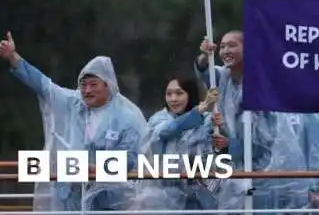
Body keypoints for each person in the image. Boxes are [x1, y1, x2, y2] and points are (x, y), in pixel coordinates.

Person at [0, 32, 146, 212]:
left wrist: (96, 169)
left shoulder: (128, 115)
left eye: (93, 84)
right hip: (70, 196)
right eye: (83, 84)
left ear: (108, 84)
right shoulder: (74, 103)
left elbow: (133, 158)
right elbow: (44, 85)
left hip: (110, 201)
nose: (87, 90)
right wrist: (13, 57)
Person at [192, 33, 277, 211]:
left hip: (262, 174)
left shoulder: (261, 84)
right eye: (222, 46)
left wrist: (231, 145)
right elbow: (206, 72)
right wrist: (204, 55)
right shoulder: (223, 77)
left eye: (232, 45)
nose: (225, 51)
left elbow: (265, 141)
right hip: (232, 172)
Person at [135, 75, 220, 212]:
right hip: (163, 198)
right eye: (169, 94)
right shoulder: (158, 120)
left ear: (190, 94)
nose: (173, 99)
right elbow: (166, 131)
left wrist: (220, 127)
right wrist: (199, 110)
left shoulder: (207, 121)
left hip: (198, 200)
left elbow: (214, 151)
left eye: (179, 93)